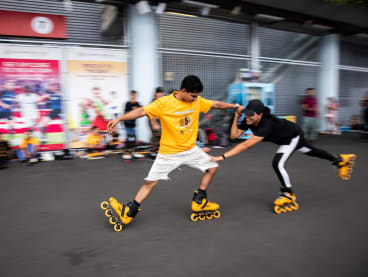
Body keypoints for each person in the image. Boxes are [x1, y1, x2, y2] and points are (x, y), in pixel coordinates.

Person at [104, 75, 242, 230]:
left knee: (212, 167)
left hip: (190, 150)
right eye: (193, 96)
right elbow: (142, 111)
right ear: (183, 91)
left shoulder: (197, 100)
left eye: (197, 96)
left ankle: (199, 201)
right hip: (169, 153)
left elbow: (216, 104)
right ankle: (128, 212)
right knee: (149, 183)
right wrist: (119, 119)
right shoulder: (164, 103)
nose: (196, 99)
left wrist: (234, 106)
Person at [210, 99, 356, 214]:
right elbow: (234, 135)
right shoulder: (249, 119)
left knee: (277, 163)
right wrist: (237, 116)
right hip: (286, 137)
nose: (248, 118)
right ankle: (340, 160)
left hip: (292, 136)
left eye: (251, 115)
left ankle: (288, 193)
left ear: (260, 114)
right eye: (247, 114)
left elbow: (245, 145)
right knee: (311, 151)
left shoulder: (266, 124)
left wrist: (222, 157)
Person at [148, 87, 164, 158]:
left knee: (160, 135)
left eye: (161, 96)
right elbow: (151, 114)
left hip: (158, 120)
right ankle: (152, 152)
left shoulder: (161, 102)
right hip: (152, 119)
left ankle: (158, 151)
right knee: (155, 134)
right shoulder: (153, 103)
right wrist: (154, 123)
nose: (160, 97)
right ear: (155, 94)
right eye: (159, 96)